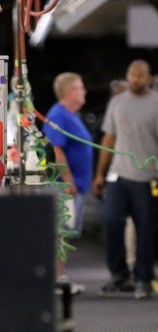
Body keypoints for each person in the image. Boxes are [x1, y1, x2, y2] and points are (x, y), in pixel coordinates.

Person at [92, 60, 158, 299]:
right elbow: (108, 139)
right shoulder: (117, 103)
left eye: (140, 75)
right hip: (118, 176)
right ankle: (119, 275)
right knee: (111, 222)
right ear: (128, 76)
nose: (136, 79)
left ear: (149, 78)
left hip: (147, 178)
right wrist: (100, 174)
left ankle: (143, 279)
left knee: (145, 230)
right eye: (132, 74)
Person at [42, 72, 92, 295]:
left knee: (63, 233)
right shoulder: (58, 115)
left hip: (75, 186)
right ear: (71, 92)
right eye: (81, 87)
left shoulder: (71, 115)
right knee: (59, 233)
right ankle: (56, 279)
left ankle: (60, 277)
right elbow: (56, 148)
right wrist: (68, 179)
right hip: (64, 187)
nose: (84, 92)